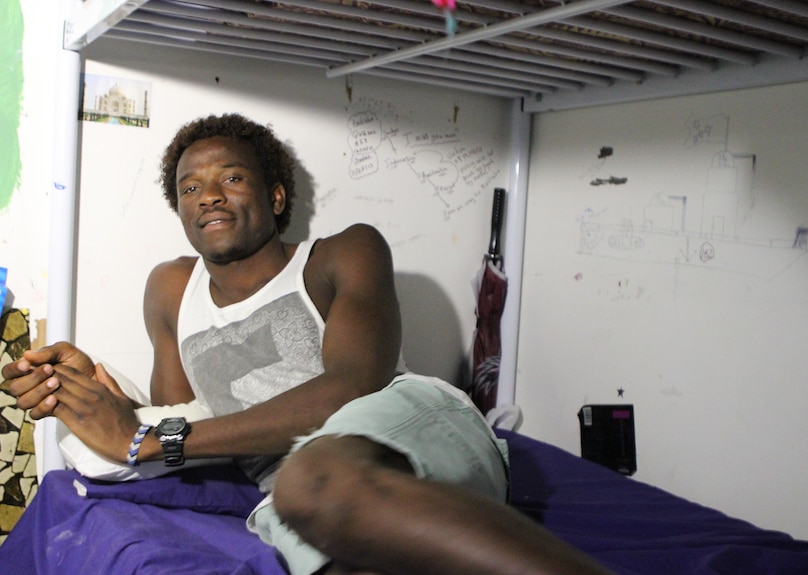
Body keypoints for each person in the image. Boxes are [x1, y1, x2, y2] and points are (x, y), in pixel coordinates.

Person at [2, 113, 612, 575]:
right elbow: (193, 426)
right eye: (190, 188)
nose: (207, 195)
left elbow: (347, 390)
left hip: (400, 430)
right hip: (293, 494)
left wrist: (143, 439)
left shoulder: (341, 255)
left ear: (274, 196)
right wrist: (104, 397)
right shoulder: (169, 289)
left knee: (315, 480)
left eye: (231, 178)